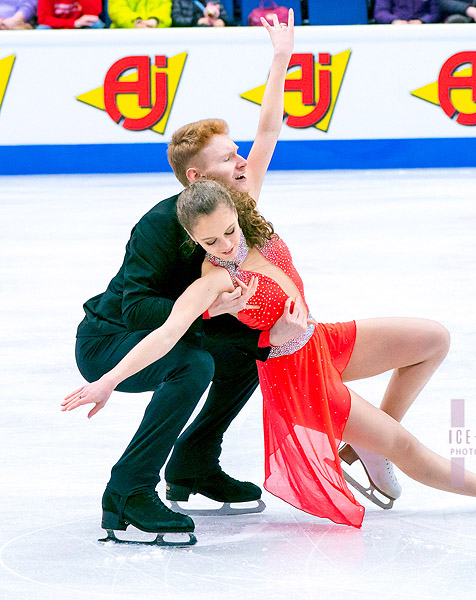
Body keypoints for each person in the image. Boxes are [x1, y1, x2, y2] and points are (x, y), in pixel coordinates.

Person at [64, 179, 476, 528]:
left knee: (432, 338)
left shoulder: (254, 221)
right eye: (208, 240)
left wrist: (281, 60)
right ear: (193, 239)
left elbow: (266, 135)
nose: (222, 244)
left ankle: (371, 443)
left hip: (323, 340)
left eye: (228, 231)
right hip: (298, 376)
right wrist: (108, 379)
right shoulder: (214, 280)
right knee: (408, 447)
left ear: (239, 211)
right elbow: (169, 332)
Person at [64, 11, 298, 545]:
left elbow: (269, 131)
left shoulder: (236, 201)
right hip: (109, 341)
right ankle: (127, 490)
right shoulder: (157, 224)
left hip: (177, 323)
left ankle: (193, 462)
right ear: (196, 176)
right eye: (227, 156)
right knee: (191, 363)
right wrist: (206, 310)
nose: (240, 159)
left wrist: (280, 59)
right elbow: (134, 310)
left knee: (249, 349)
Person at [36, 0, 104, 28]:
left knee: (95, 23)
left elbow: (93, 15)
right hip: (55, 27)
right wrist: (73, 23)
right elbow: (43, 19)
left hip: (80, 26)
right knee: (42, 28)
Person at [374, 0, 440, 24]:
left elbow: (435, 13)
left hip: (422, 30)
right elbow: (380, 12)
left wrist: (422, 21)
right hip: (395, 30)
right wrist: (394, 20)